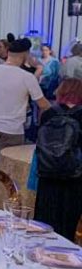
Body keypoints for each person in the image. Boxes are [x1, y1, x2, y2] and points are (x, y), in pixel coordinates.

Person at [0, 37, 50, 169]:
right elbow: (43, 105)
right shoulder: (27, 77)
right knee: (5, 169)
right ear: (25, 55)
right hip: (12, 129)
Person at [34, 78, 82, 242]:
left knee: (43, 224)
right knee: (67, 226)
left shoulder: (49, 114)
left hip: (47, 177)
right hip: (74, 179)